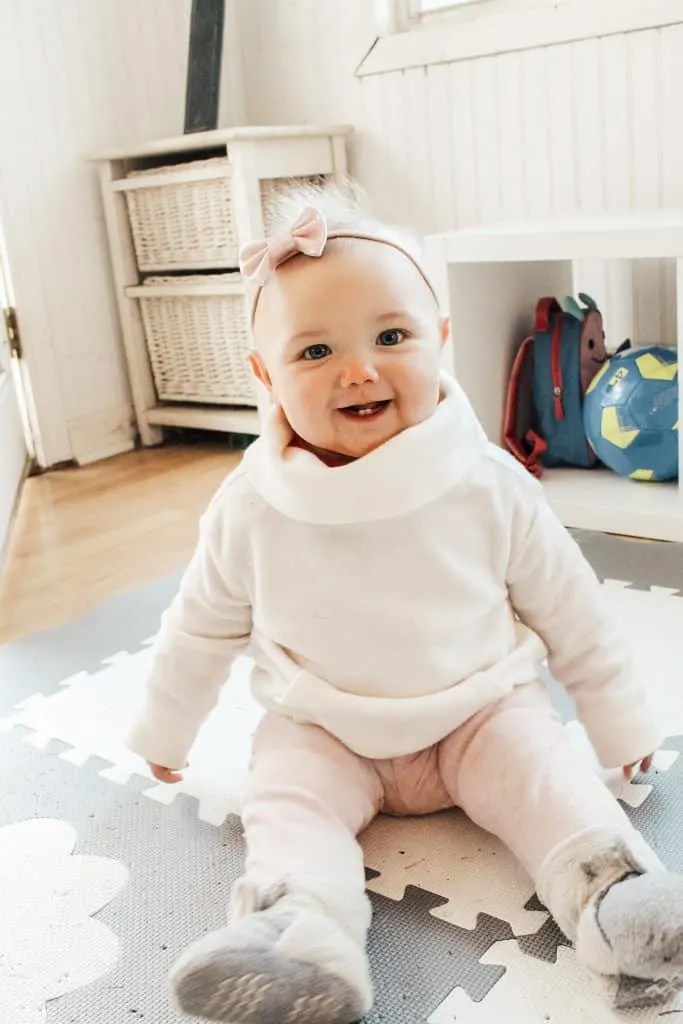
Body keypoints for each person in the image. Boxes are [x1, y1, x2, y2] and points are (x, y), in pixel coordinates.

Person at [128, 183, 682, 1024]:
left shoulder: (488, 483)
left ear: (440, 342)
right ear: (263, 375)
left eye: (391, 336)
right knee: (282, 803)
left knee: (549, 777)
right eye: (313, 353)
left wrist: (621, 720)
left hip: (478, 712)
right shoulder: (252, 503)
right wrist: (163, 730)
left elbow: (571, 607)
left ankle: (618, 906)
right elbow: (199, 625)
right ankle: (303, 939)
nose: (358, 369)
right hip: (323, 726)